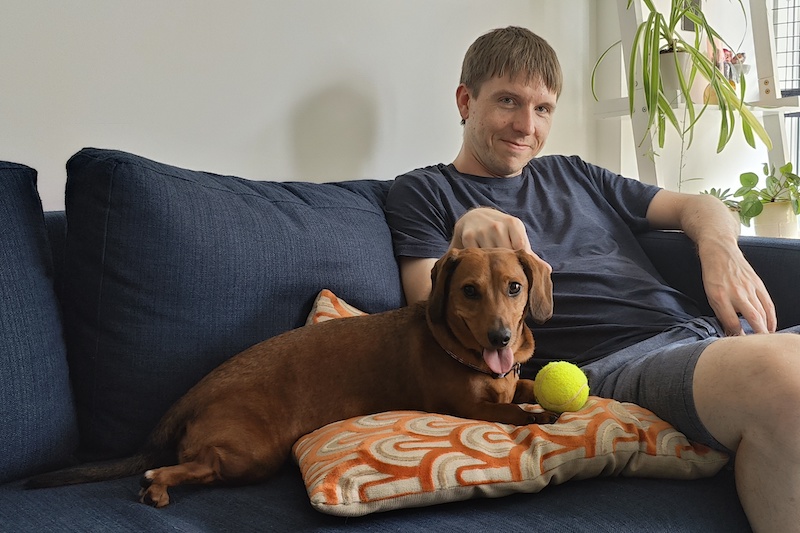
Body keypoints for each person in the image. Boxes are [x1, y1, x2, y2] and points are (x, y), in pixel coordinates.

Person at [384, 26, 800, 532]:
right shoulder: (424, 192)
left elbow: (701, 205)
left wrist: (719, 249)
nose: (524, 125)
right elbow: (427, 308)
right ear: (465, 100)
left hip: (708, 335)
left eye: (543, 109)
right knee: (783, 377)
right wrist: (462, 234)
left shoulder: (575, 173)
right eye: (507, 102)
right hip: (617, 365)